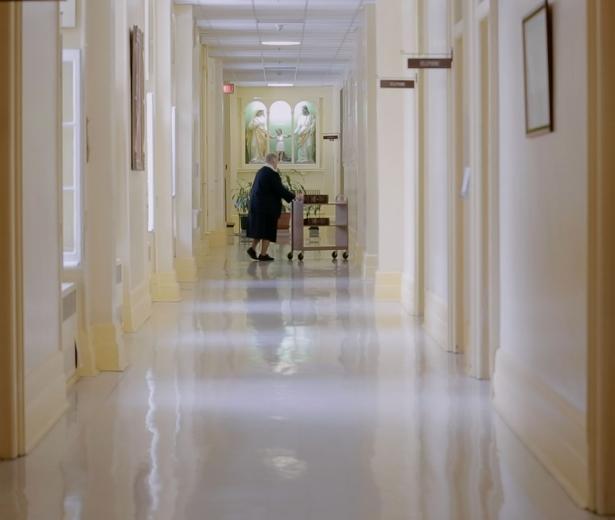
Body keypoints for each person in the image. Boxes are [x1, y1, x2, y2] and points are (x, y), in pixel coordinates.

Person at [247, 153, 296, 261]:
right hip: (267, 208)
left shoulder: (260, 172)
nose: (277, 164)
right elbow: (280, 190)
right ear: (273, 161)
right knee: (267, 231)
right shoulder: (272, 174)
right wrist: (294, 197)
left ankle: (252, 248)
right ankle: (263, 254)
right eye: (277, 161)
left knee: (260, 230)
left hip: (257, 206)